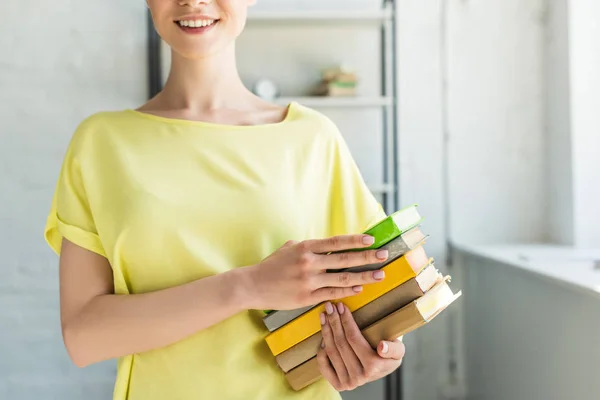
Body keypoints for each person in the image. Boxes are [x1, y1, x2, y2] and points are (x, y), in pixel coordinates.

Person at [43, 0, 406, 399]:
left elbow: (381, 290)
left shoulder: (312, 137)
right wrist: (247, 286)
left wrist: (379, 351)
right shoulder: (99, 143)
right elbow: (83, 336)